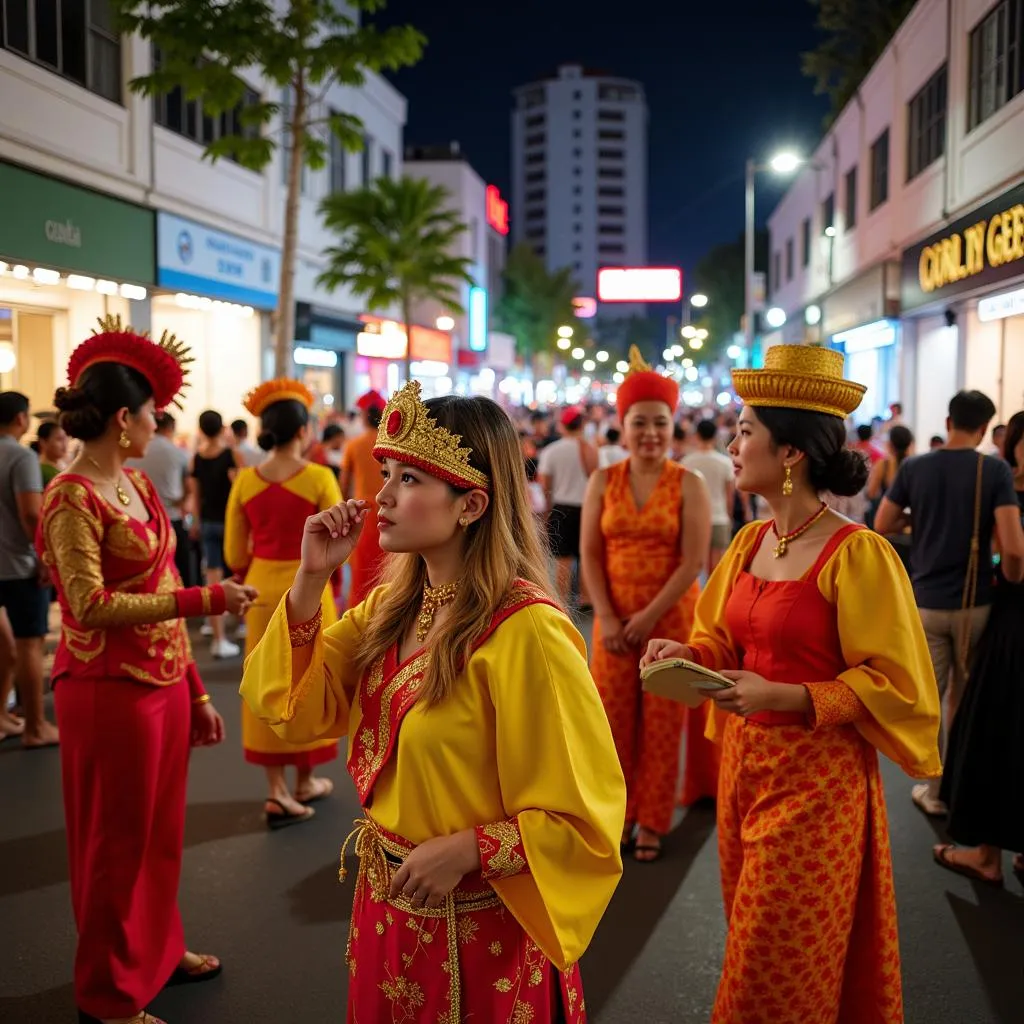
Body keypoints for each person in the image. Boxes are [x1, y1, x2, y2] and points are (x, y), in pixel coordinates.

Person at [241, 381, 625, 1022]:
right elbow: (290, 706)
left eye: (410, 479)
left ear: (471, 504)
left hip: (484, 931)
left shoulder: (528, 633)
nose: (381, 496)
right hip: (387, 909)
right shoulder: (391, 610)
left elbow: (586, 820)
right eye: (385, 473)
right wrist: (311, 578)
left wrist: (473, 848)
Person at [642, 345, 941, 1024]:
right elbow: (721, 637)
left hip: (818, 790)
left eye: (747, 430)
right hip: (740, 773)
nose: (734, 442)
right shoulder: (748, 542)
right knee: (766, 950)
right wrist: (686, 652)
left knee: (765, 979)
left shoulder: (857, 552)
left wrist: (787, 697)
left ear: (792, 454)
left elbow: (897, 682)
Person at [37, 316, 256, 1024]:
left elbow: (156, 581)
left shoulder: (133, 483)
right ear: (125, 418)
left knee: (160, 837)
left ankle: (158, 952)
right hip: (106, 690)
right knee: (114, 845)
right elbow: (88, 605)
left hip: (161, 683)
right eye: (154, 414)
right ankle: (106, 992)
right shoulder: (70, 495)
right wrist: (207, 598)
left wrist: (195, 691)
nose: (160, 424)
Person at [582, 347, 714, 862]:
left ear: (673, 425)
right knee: (610, 723)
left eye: (660, 422)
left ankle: (653, 821)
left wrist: (649, 616)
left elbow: (693, 561)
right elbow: (591, 552)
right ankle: (617, 815)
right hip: (612, 623)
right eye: (640, 423)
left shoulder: (690, 483)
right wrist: (609, 615)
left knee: (663, 724)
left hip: (671, 619)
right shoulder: (603, 480)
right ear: (623, 425)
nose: (650, 433)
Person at [876, 390, 1024, 817]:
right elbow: (1013, 547)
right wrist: (1010, 581)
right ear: (983, 428)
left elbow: (883, 523)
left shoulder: (916, 467)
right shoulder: (993, 470)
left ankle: (934, 789)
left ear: (947, 421)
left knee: (929, 699)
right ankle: (963, 790)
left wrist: (917, 520)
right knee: (964, 698)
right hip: (976, 603)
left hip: (925, 602)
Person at [225, 379, 342, 828]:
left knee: (264, 681)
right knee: (308, 679)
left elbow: (235, 552)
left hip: (259, 591)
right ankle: (304, 781)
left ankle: (274, 790)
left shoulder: (246, 481)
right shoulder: (319, 477)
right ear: (303, 431)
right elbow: (336, 541)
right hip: (309, 590)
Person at [934, 409, 1024, 885]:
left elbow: (1011, 554)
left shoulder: (1003, 483)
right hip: (1003, 620)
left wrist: (1011, 577)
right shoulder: (997, 479)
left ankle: (986, 854)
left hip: (1010, 623)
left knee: (993, 729)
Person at [0, 390, 59, 748]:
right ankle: (36, 725)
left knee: (6, 648)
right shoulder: (21, 456)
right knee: (29, 646)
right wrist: (44, 557)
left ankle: (5, 716)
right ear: (21, 419)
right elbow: (31, 513)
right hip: (18, 566)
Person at [190, 410, 242, 658]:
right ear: (222, 427)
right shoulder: (231, 455)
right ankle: (242, 623)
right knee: (238, 572)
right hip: (230, 523)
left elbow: (196, 494)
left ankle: (218, 638)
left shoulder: (197, 457)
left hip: (208, 522)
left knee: (213, 578)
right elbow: (239, 490)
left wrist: (197, 521)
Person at [538, 406, 597, 606]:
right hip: (587, 508)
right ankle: (586, 597)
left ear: (562, 426)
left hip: (561, 508)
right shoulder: (591, 449)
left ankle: (561, 601)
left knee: (563, 558)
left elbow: (545, 485)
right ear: (582, 425)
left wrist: (547, 512)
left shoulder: (551, 451)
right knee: (586, 555)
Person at [128, 411, 195, 588]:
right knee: (178, 575)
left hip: (139, 521)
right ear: (171, 428)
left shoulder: (133, 451)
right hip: (171, 518)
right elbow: (189, 489)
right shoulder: (177, 453)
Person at [340, 390, 387, 606]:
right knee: (389, 570)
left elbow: (343, 486)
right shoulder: (390, 446)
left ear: (363, 416)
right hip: (391, 510)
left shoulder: (354, 445)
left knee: (361, 573)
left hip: (363, 514)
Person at [683, 418, 736, 570]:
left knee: (695, 565)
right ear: (715, 436)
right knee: (717, 567)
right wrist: (729, 517)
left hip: (694, 519)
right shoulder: (725, 462)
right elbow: (729, 496)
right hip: (719, 517)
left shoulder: (687, 462)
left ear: (697, 435)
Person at [37, 419, 69, 486]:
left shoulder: (64, 464)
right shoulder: (40, 470)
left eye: (65, 438)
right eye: (59, 439)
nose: (65, 444)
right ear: (43, 442)